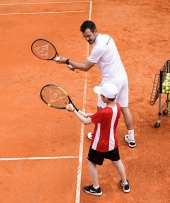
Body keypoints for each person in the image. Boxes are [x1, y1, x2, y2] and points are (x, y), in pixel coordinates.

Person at [57, 20, 136, 148]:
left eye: (89, 36)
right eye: (85, 37)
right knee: (125, 108)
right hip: (122, 78)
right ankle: (131, 139)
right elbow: (95, 62)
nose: (87, 39)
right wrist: (74, 66)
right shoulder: (107, 37)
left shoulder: (98, 47)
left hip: (110, 84)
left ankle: (96, 135)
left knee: (100, 110)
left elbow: (85, 66)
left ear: (95, 31)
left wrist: (67, 60)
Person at [65, 83, 130, 196]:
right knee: (117, 161)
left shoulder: (103, 112)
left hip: (99, 144)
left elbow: (86, 122)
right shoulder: (117, 107)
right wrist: (81, 111)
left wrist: (74, 112)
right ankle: (125, 183)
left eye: (101, 95)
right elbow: (97, 115)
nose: (100, 96)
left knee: (91, 161)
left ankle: (96, 188)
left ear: (105, 97)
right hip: (112, 142)